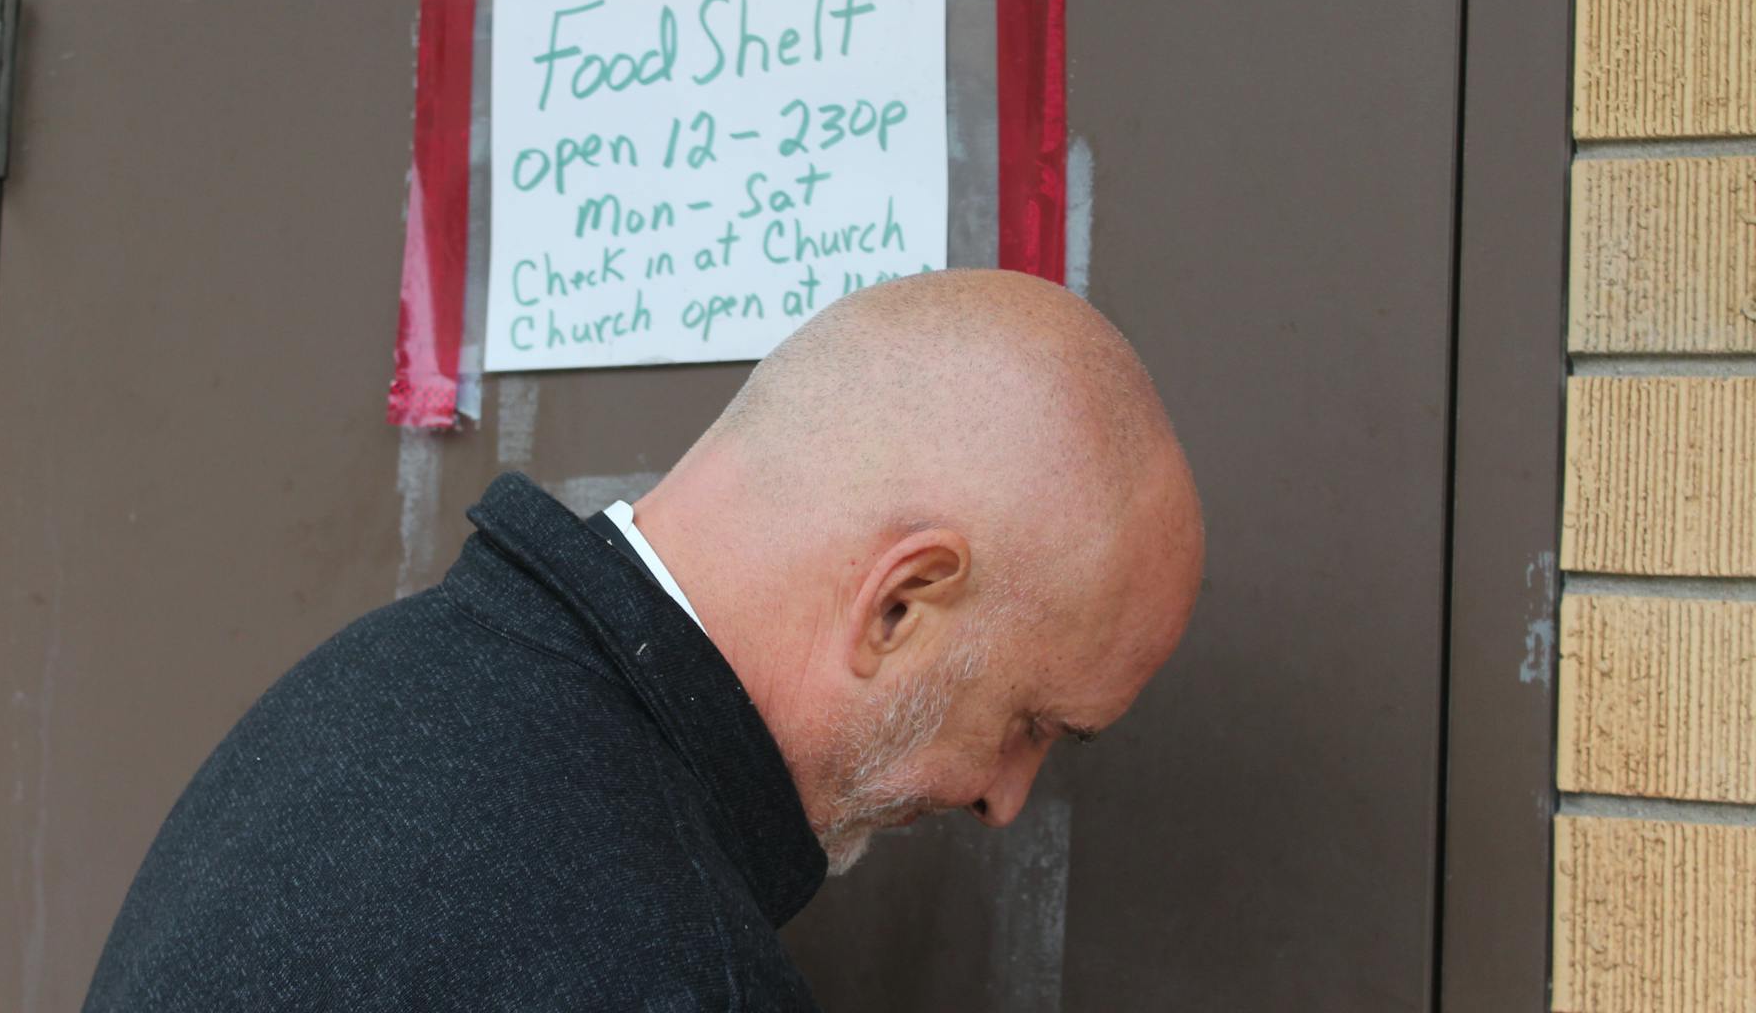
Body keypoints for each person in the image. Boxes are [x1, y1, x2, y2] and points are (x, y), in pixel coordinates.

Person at [83, 269, 1204, 1010]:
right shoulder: (670, 966)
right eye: (1030, 722)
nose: (1006, 799)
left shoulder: (374, 690)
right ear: (900, 602)